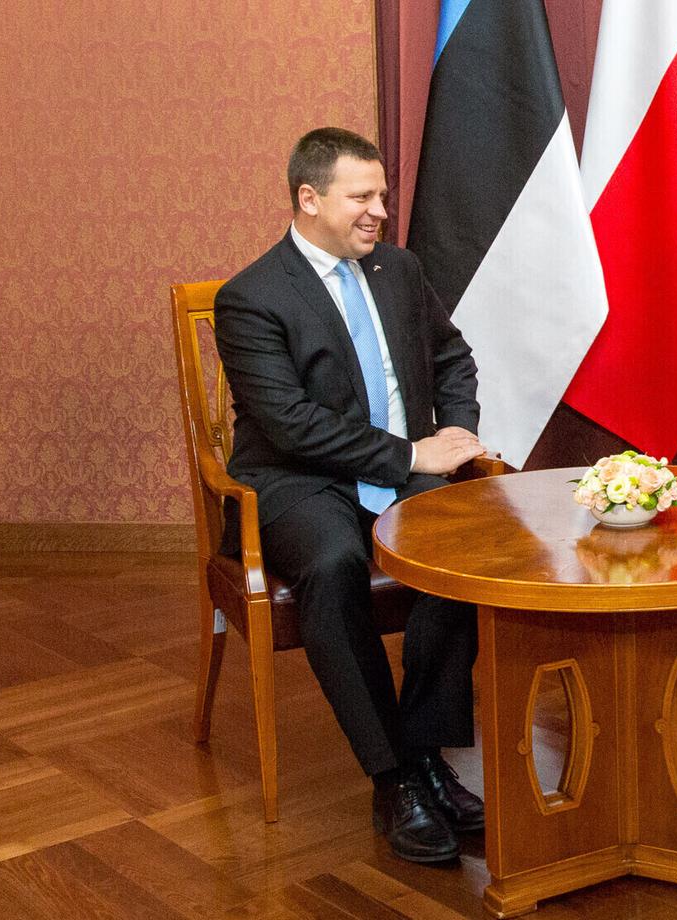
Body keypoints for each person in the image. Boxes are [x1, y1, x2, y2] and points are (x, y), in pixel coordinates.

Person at [214, 127, 486, 864]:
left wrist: (455, 435)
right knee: (333, 566)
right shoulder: (253, 297)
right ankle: (393, 775)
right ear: (309, 199)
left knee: (463, 560)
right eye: (361, 197)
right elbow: (290, 424)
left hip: (406, 469)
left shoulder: (398, 270)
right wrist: (411, 453)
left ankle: (429, 749)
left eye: (383, 197)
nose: (379, 212)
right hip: (299, 479)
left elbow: (452, 356)